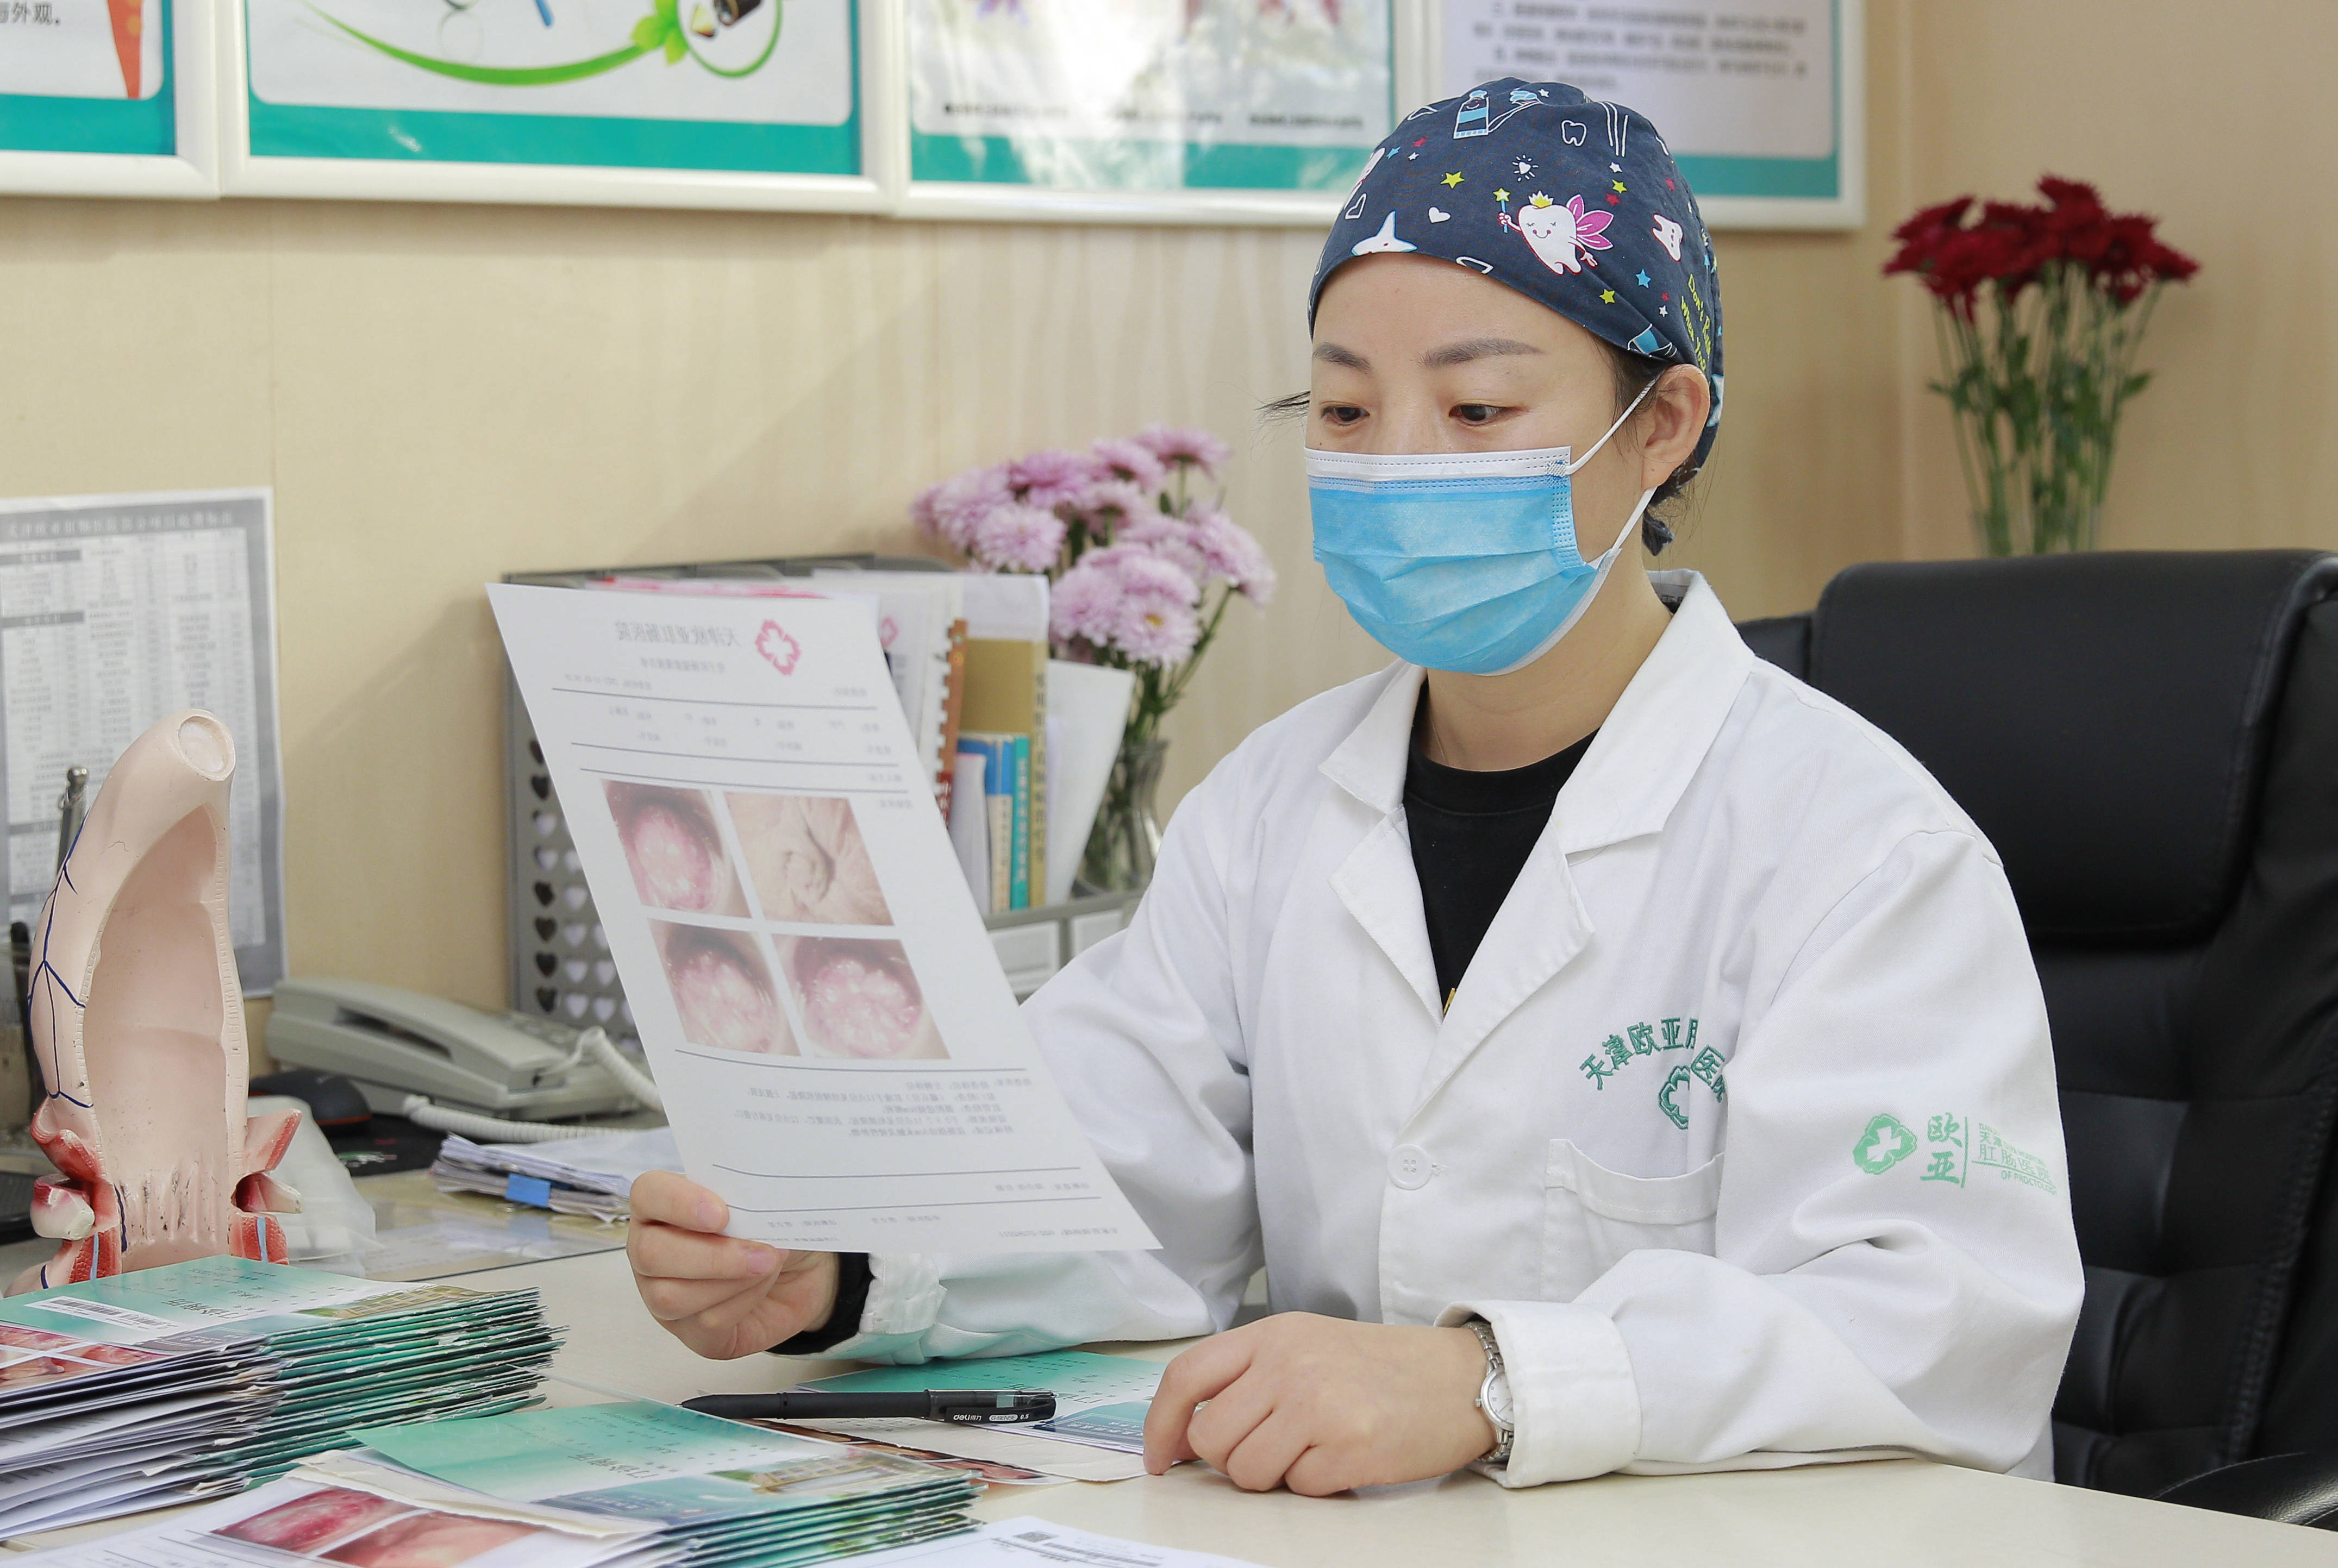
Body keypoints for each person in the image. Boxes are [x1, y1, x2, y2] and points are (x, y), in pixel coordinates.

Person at [629, 80, 2084, 1497]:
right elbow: (1109, 1178)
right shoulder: (1271, 806)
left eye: (1474, 412)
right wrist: (844, 1264)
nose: (1394, 468)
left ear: (1661, 426)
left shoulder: (1861, 848)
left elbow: (1936, 1323)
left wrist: (1489, 1380)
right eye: (1341, 408)